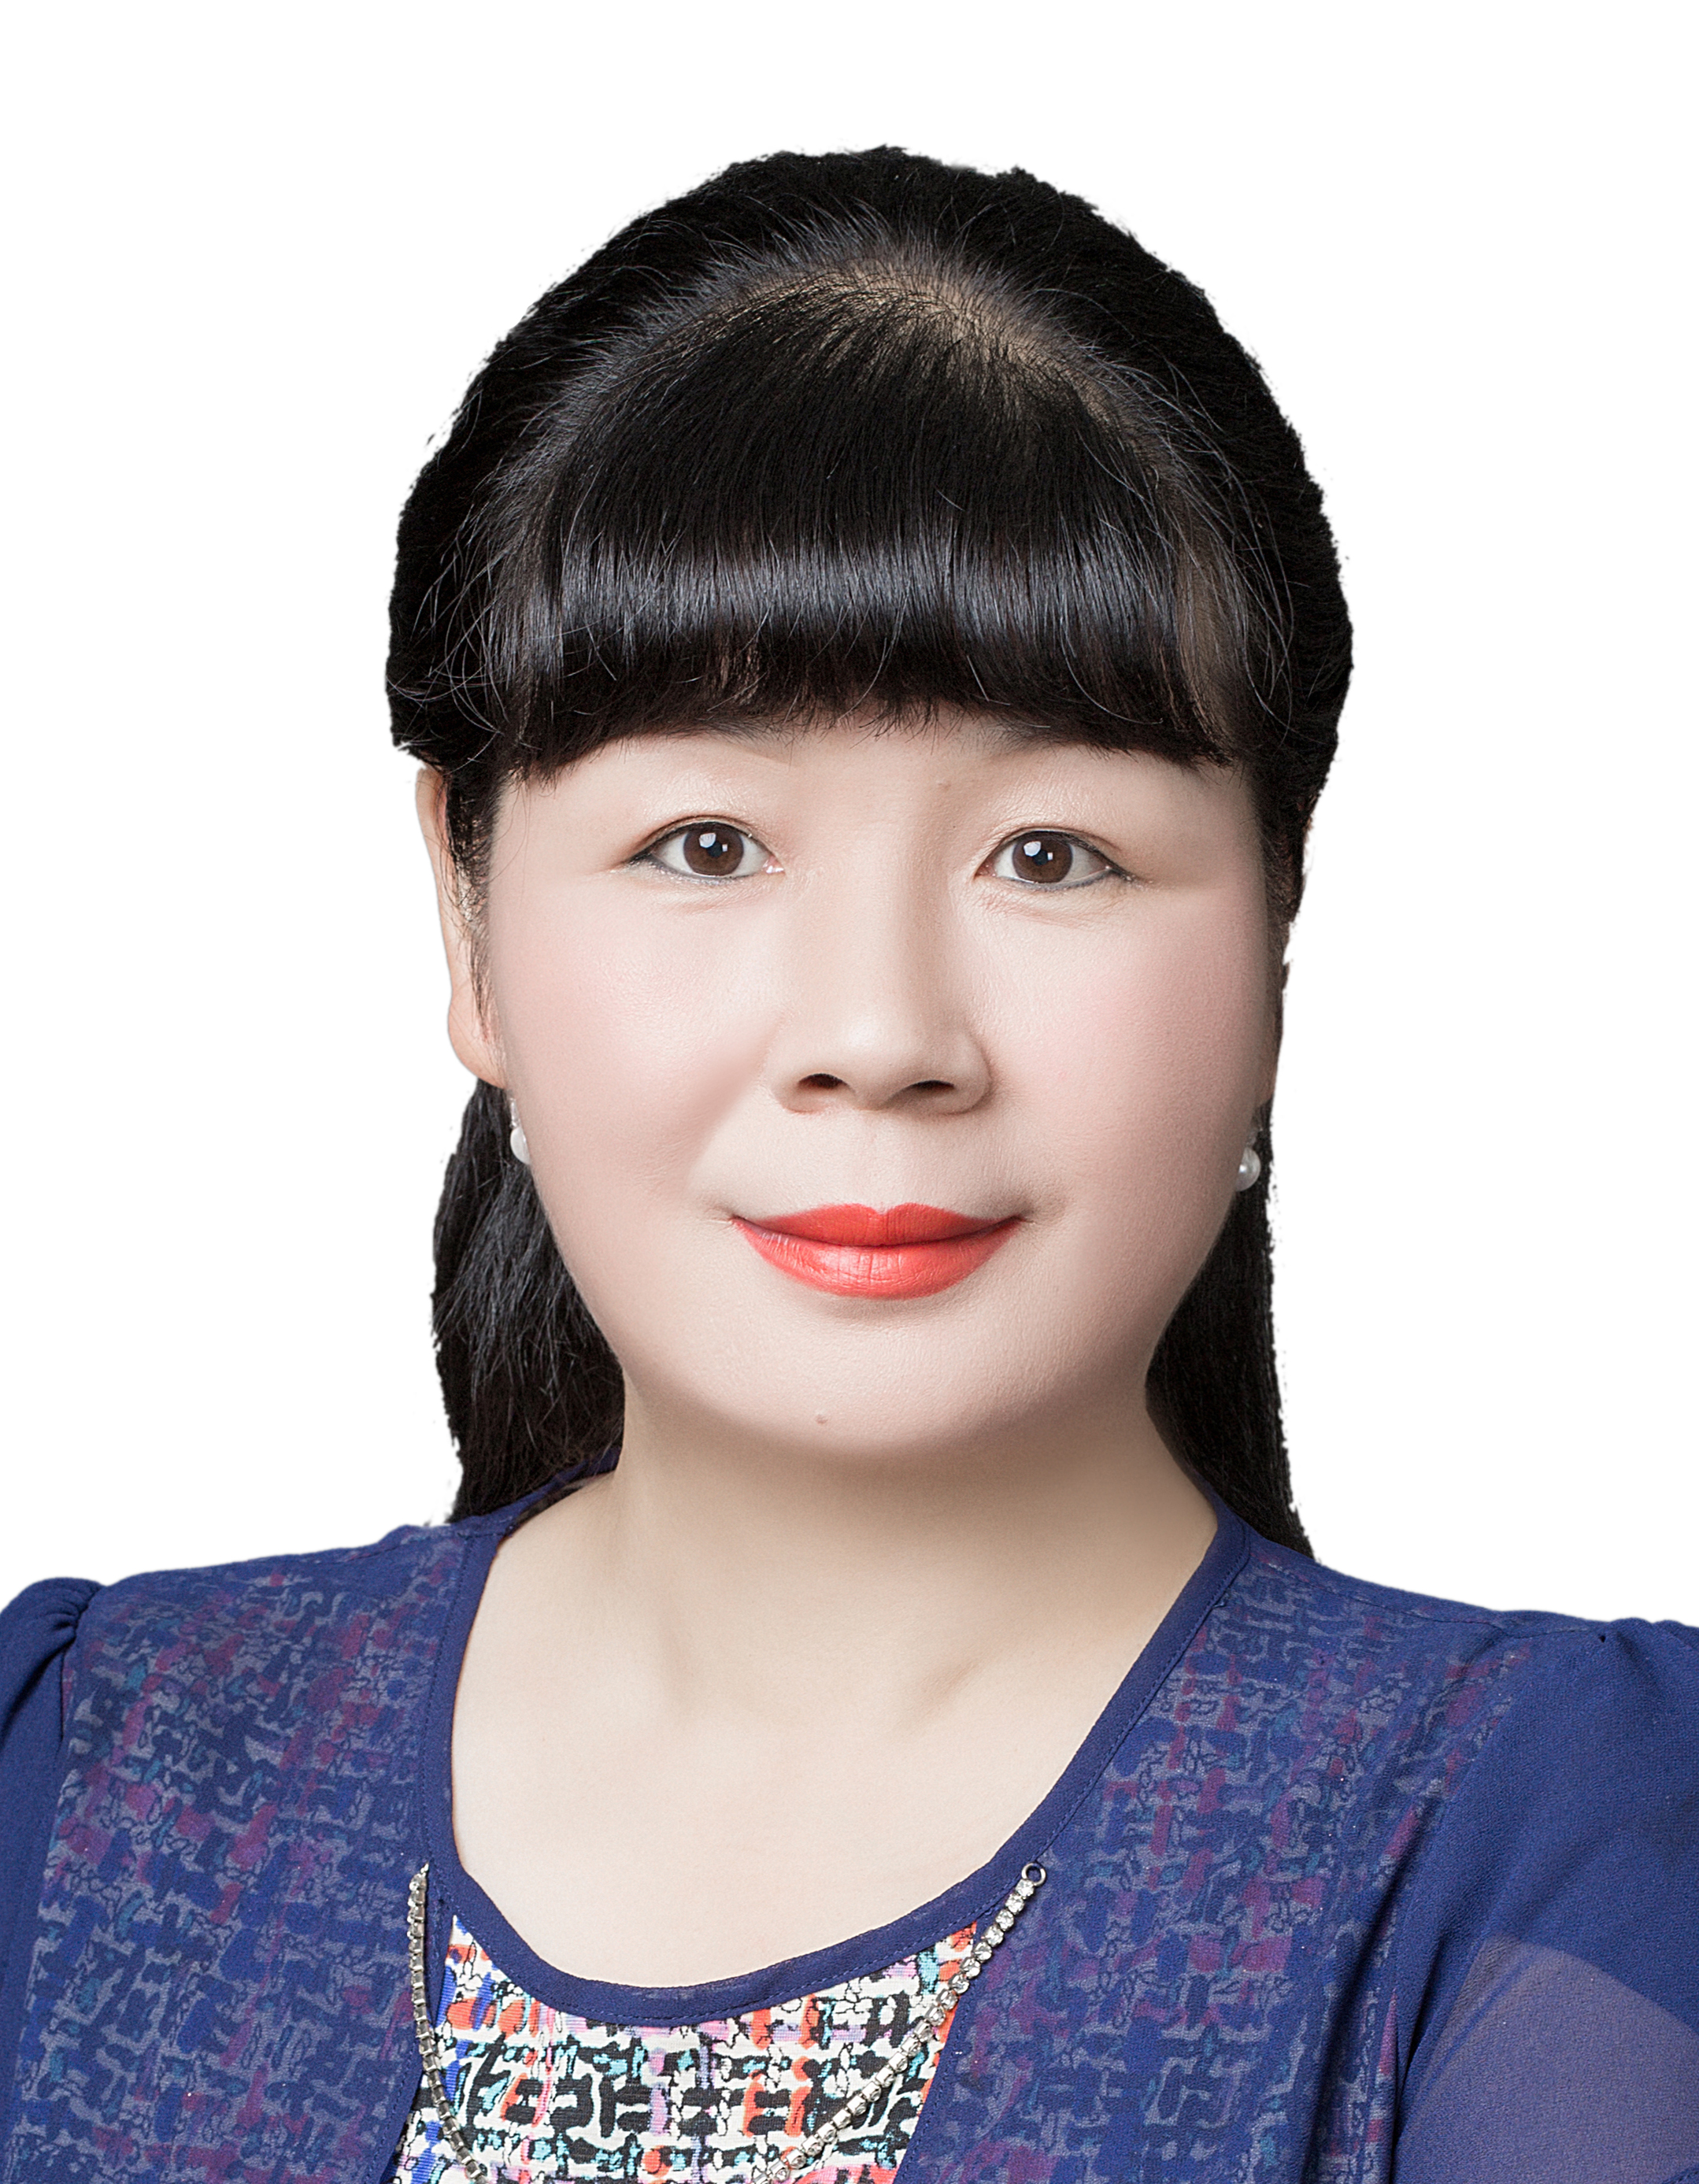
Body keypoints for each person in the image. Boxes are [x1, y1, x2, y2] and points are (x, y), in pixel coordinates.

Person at [1, 146, 1694, 2184]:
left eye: (1052, 854)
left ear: (1277, 925)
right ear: (468, 921)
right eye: (705, 845)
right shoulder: (81, 1774)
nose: (881, 1033)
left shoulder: (1554, 1845)